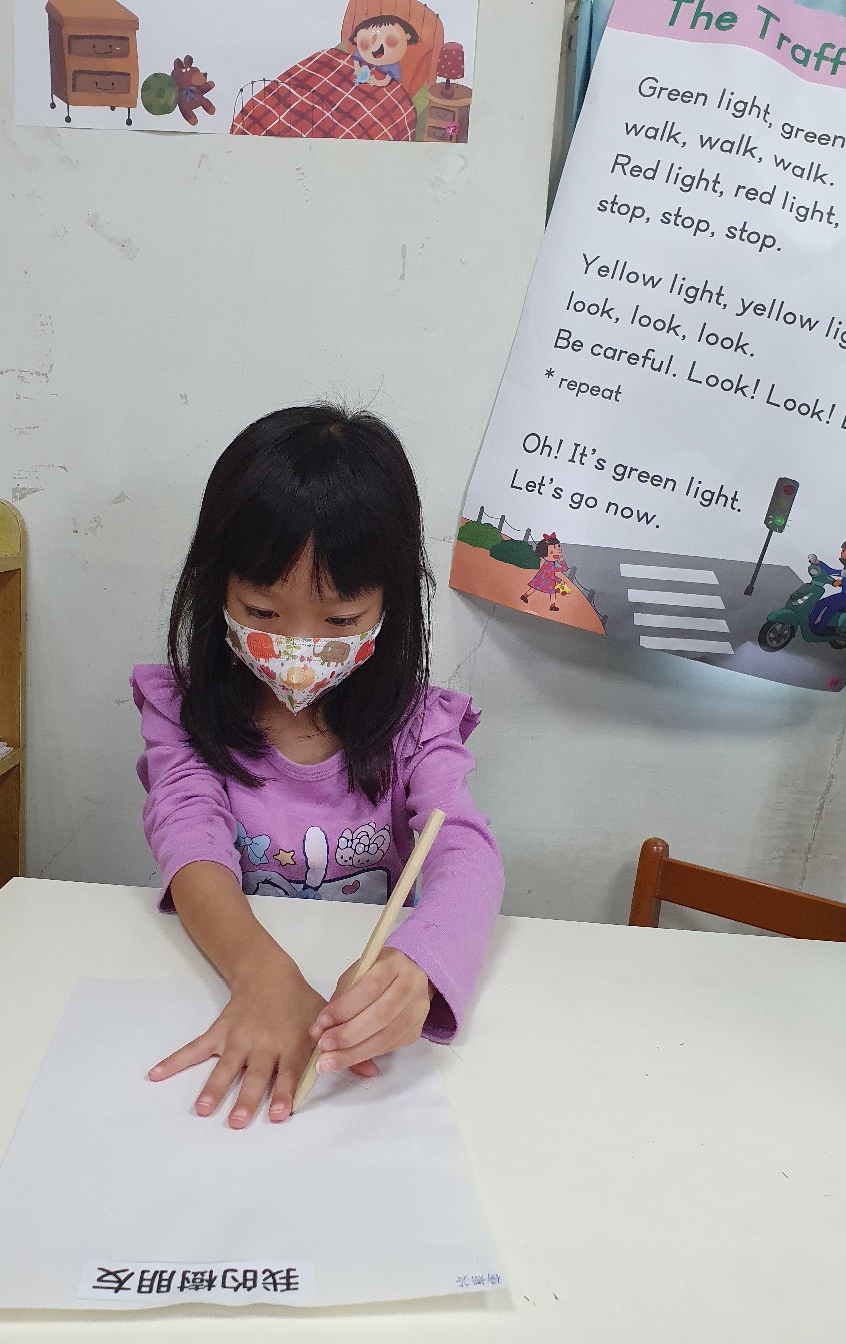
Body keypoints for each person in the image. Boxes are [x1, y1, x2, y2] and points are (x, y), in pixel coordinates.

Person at [131, 404, 504, 1129]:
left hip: (361, 1026)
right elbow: (187, 833)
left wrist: (421, 963)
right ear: (215, 587)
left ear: (393, 602)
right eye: (262, 612)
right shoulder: (183, 710)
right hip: (226, 967)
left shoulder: (419, 725)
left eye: (339, 622)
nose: (299, 648)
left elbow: (464, 847)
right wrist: (261, 972)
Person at [809, 537, 846, 635]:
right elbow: (832, 572)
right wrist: (819, 563)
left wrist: (843, 583)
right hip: (842, 595)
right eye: (843, 551)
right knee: (820, 603)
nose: (843, 554)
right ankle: (809, 625)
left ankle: (820, 630)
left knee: (830, 610)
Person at [521, 532, 569, 612]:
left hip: (548, 580)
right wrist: (559, 581)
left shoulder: (551, 562)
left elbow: (564, 569)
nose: (558, 551)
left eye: (558, 547)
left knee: (550, 592)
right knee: (534, 587)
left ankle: (552, 605)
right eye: (552, 551)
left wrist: (562, 560)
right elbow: (550, 573)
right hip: (543, 578)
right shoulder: (547, 563)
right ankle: (525, 596)